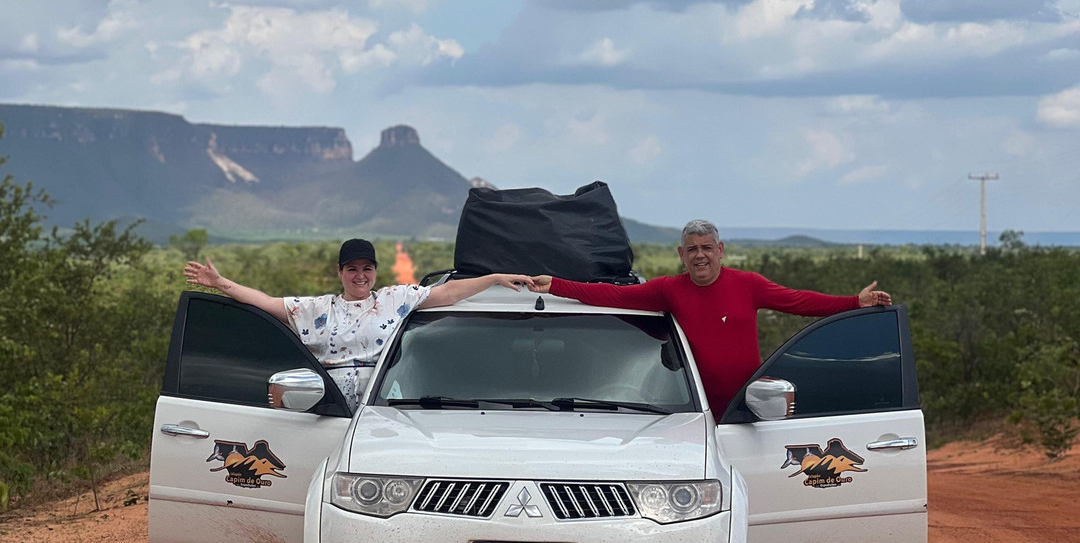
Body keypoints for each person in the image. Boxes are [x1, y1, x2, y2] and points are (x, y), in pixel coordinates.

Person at [527, 219, 891, 421]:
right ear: (681, 255)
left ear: (720, 250)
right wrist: (556, 285)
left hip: (745, 408)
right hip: (690, 411)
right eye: (692, 250)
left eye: (706, 248)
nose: (700, 255)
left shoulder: (748, 285)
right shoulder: (669, 289)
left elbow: (798, 301)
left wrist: (853, 302)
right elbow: (614, 295)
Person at [184, 238, 533, 412]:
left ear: (375, 272)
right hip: (329, 407)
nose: (360, 275)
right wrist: (220, 284)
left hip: (388, 405)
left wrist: (494, 278)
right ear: (340, 272)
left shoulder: (395, 299)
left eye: (367, 268)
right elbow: (264, 303)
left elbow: (448, 293)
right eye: (352, 268)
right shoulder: (318, 309)